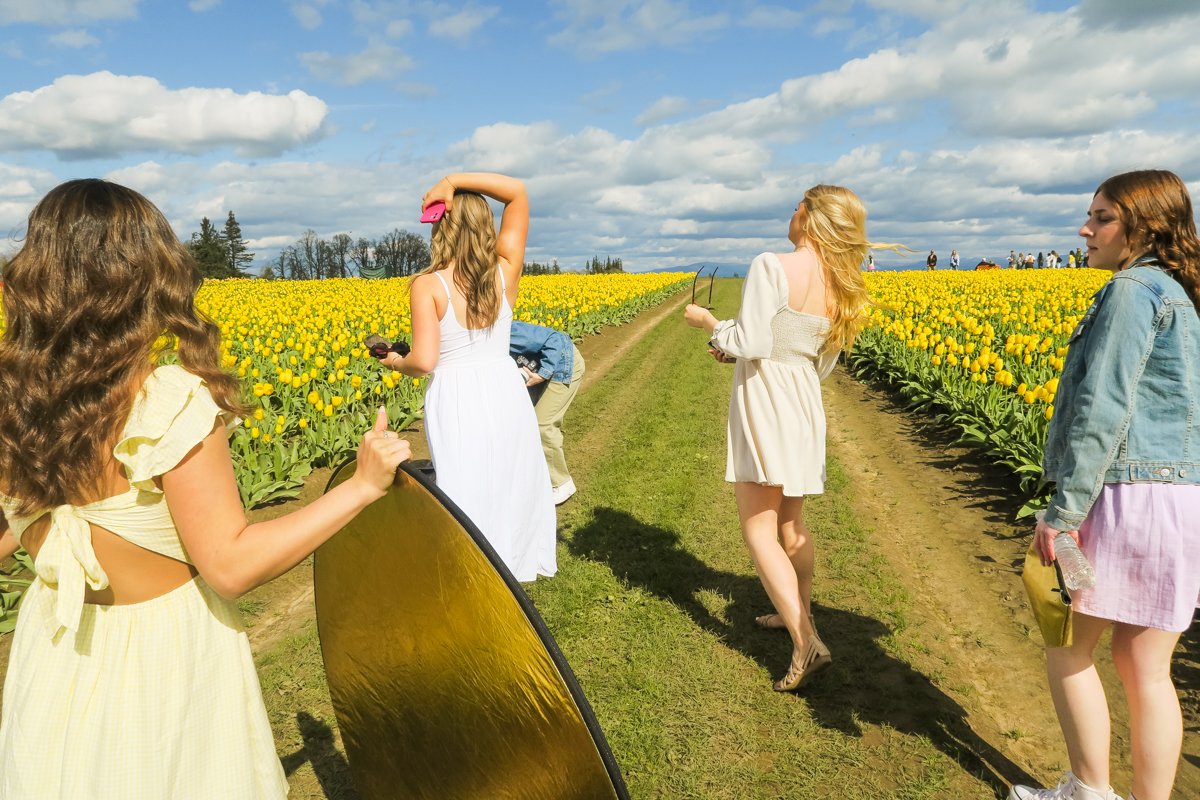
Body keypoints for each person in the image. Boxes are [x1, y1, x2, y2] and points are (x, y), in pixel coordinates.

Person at [0, 179, 411, 798]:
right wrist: (360, 485)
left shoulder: (11, 401)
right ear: (148, 278)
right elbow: (230, 566)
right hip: (163, 660)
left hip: (54, 650)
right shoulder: (167, 401)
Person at [1010, 170, 1200, 800]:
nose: (1084, 229)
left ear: (1145, 226)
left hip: (1122, 496)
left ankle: (1088, 792)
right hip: (1177, 499)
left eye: (1101, 217)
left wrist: (1063, 511)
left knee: (1067, 646)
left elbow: (1103, 407)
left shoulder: (1131, 291)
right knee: (1148, 670)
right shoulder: (1182, 293)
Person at [683, 185, 902, 692]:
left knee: (758, 529)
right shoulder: (840, 283)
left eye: (797, 206)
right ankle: (794, 610)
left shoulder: (771, 264)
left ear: (809, 217)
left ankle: (806, 640)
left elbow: (755, 340)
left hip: (766, 397)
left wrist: (713, 327)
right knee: (791, 520)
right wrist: (740, 346)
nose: (791, 213)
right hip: (803, 398)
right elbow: (817, 359)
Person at [380, 172, 556, 582]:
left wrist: (394, 362)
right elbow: (518, 192)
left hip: (458, 396)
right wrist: (453, 181)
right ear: (483, 227)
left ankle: (471, 575)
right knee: (509, 480)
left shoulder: (428, 285)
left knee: (465, 487)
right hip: (504, 389)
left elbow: (424, 361)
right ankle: (511, 570)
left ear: (443, 227)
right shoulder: (504, 272)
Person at [509, 320, 586, 505]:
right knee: (520, 422)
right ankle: (532, 478)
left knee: (543, 424)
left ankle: (561, 483)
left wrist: (543, 373)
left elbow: (555, 339)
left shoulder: (505, 331)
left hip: (562, 364)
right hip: (536, 370)